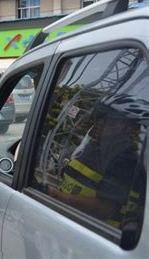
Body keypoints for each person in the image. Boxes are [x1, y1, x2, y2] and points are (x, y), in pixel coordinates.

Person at [48, 93, 147, 229]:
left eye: (109, 119)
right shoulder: (94, 148)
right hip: (72, 223)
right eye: (99, 117)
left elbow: (104, 209)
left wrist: (59, 197)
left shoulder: (125, 161)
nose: (99, 122)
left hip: (100, 235)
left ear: (129, 128)